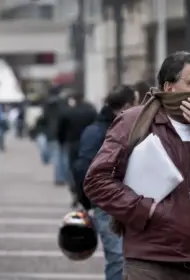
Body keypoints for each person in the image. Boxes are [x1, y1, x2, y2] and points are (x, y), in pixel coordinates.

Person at [84, 51, 190, 280]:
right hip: (150, 263)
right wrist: (145, 210)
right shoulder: (134, 121)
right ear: (169, 87)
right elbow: (96, 180)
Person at [72, 85, 136, 280]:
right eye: (134, 104)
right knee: (118, 257)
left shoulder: (128, 127)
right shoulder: (98, 130)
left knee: (128, 258)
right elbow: (82, 167)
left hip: (130, 200)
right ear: (126, 106)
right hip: (107, 202)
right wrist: (87, 200)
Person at [57, 92, 97, 207]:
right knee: (87, 169)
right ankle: (86, 193)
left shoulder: (68, 112)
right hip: (88, 144)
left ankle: (75, 193)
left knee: (73, 170)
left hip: (72, 144)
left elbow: (61, 130)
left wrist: (62, 141)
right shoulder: (91, 112)